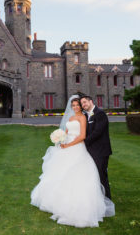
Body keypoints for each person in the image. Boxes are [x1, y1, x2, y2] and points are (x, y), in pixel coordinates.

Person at [30, 95, 115, 228]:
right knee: (62, 173)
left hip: (91, 148)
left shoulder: (91, 115)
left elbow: (85, 134)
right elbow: (67, 132)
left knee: (97, 175)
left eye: (80, 104)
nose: (76, 107)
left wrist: (73, 144)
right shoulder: (75, 117)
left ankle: (105, 201)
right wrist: (61, 140)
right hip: (72, 145)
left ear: (88, 103)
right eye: (74, 105)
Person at [80, 95, 113, 199]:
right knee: (93, 176)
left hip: (101, 151)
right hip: (91, 151)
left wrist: (83, 141)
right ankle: (97, 198)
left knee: (101, 176)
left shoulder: (100, 113)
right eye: (82, 104)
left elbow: (97, 132)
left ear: (91, 101)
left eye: (85, 102)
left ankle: (107, 199)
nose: (83, 105)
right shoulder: (86, 115)